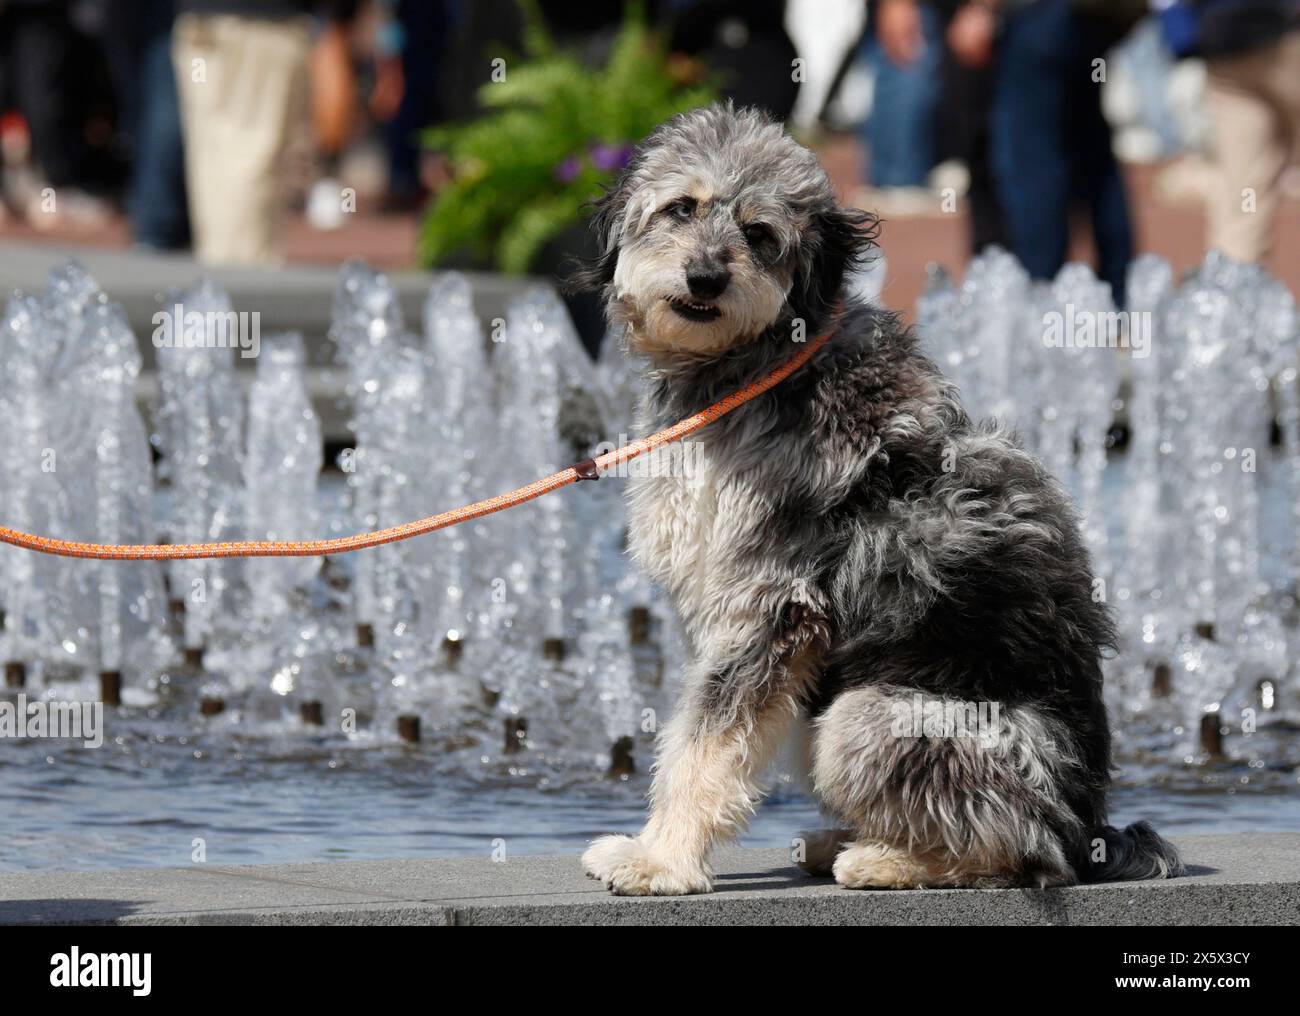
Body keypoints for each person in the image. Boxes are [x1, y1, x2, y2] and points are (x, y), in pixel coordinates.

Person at [951, 0, 1140, 304]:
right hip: (1094, 18)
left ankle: (1042, 296)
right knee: (1092, 154)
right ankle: (1120, 291)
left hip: (1039, 17)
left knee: (1033, 164)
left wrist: (983, 8)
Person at [171, 0, 357, 265]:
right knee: (248, 162)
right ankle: (237, 288)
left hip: (204, 24)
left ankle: (223, 283)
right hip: (260, 25)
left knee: (214, 160)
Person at [1157, 1, 1300, 264]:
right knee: (1244, 190)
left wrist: (1179, 29)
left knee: (1244, 193)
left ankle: (1231, 290)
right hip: (1280, 40)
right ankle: (1233, 285)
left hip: (1225, 47)